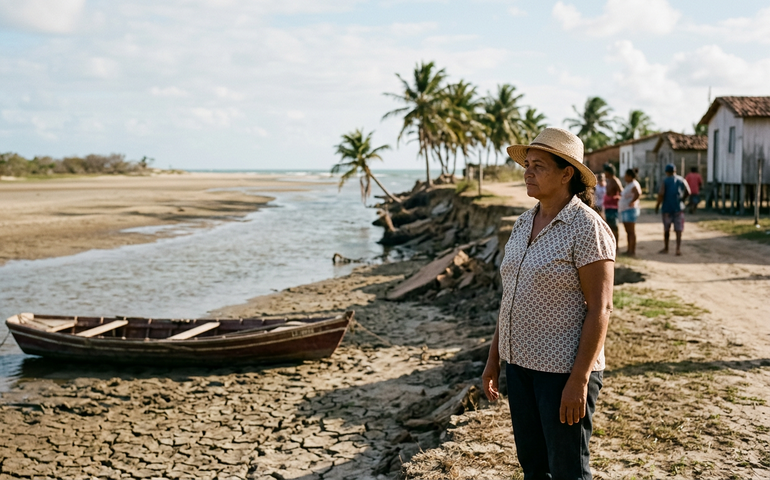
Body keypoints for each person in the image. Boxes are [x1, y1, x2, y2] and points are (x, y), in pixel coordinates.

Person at [482, 127, 615, 479]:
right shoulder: (523, 223)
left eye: (538, 165)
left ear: (566, 173)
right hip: (520, 367)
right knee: (533, 466)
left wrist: (579, 380)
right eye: (527, 164)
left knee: (568, 469)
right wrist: (494, 360)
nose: (528, 172)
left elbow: (600, 309)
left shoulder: (587, 228)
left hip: (562, 373)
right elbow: (509, 297)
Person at [655, 163, 690, 256]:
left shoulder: (665, 181)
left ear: (666, 172)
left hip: (667, 208)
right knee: (679, 229)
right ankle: (678, 249)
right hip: (679, 208)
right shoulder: (681, 179)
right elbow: (688, 191)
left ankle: (666, 248)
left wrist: (657, 205)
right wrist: (682, 199)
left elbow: (661, 194)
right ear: (675, 171)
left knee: (667, 229)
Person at [618, 168, 642, 256]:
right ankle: (629, 249)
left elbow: (638, 193)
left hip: (630, 210)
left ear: (629, 176)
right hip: (626, 210)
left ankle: (632, 251)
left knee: (631, 231)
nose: (624, 177)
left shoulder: (634, 184)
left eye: (626, 175)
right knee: (628, 231)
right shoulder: (629, 184)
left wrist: (632, 202)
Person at [602, 164, 622, 247]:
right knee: (609, 227)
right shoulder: (609, 180)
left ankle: (616, 246)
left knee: (614, 227)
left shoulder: (615, 180)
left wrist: (617, 197)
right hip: (607, 207)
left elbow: (621, 192)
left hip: (613, 208)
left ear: (608, 172)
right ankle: (612, 245)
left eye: (605, 172)